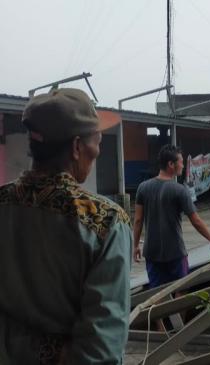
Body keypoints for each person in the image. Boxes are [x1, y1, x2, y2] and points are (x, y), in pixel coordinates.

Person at [0, 88, 131, 364]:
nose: (98, 149)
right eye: (97, 140)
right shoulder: (106, 221)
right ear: (76, 147)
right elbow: (101, 349)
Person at [133, 145, 210, 289]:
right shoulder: (180, 191)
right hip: (175, 252)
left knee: (157, 293)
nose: (183, 165)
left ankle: (162, 312)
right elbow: (195, 220)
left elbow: (138, 220)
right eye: (181, 162)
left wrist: (135, 246)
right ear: (171, 164)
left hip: (152, 252)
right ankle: (176, 312)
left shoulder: (143, 187)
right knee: (181, 290)